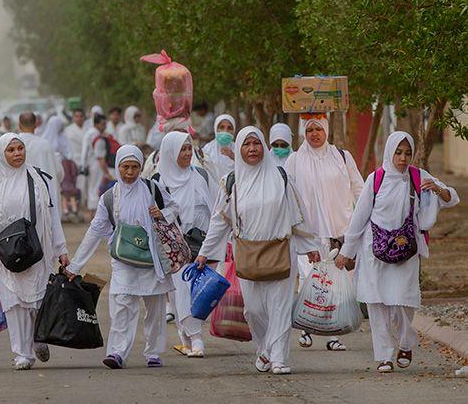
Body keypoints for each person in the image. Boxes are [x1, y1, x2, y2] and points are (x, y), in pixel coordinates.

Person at [196, 127, 320, 375]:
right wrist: (204, 252)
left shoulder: (281, 177)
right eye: (247, 144)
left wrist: (310, 247)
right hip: (248, 253)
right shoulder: (231, 182)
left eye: (256, 143)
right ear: (239, 149)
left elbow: (298, 217)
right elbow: (220, 222)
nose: (252, 149)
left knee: (279, 307)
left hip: (281, 250)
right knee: (253, 309)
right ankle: (264, 348)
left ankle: (278, 358)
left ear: (264, 146)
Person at [335, 131, 459, 373]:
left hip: (406, 251)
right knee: (377, 303)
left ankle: (405, 342)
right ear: (389, 152)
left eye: (408, 153)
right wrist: (346, 251)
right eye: (398, 152)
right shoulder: (376, 179)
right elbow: (359, 218)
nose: (403, 158)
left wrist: (437, 190)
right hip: (375, 251)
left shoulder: (418, 176)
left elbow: (452, 198)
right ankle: (384, 356)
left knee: (403, 302)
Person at [67, 145, 175, 369]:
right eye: (125, 166)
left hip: (151, 258)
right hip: (123, 259)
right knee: (121, 305)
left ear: (141, 167)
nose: (130, 172)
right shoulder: (109, 197)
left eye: (135, 167)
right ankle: (117, 353)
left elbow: (174, 207)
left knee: (155, 309)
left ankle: (153, 353)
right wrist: (75, 265)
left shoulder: (153, 188)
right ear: (117, 167)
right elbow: (95, 231)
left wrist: (162, 213)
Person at [0, 134, 69, 370]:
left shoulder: (38, 179)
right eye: (11, 150)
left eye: (20, 148)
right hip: (5, 254)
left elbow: (52, 215)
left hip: (36, 250)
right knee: (13, 303)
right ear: (2, 154)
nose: (17, 154)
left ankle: (38, 338)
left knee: (36, 302)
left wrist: (61, 250)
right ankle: (22, 354)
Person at [285, 115, 363, 351]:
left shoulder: (342, 157)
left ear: (326, 130)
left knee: (335, 285)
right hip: (308, 235)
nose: (314, 134)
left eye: (319, 129)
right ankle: (308, 327)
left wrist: (363, 222)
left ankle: (333, 334)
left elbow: (359, 188)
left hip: (339, 233)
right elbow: (286, 194)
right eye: (310, 130)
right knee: (311, 282)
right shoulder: (295, 160)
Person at [154, 132, 213, 357]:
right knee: (181, 291)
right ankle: (195, 338)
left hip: (201, 245)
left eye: (189, 149)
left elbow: (214, 209)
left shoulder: (200, 176)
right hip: (174, 247)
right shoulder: (159, 182)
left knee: (195, 292)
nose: (188, 154)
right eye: (182, 150)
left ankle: (187, 337)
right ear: (170, 153)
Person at [84, 114, 113, 216]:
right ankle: (95, 212)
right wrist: (106, 172)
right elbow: (100, 157)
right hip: (97, 164)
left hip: (92, 163)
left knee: (92, 187)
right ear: (96, 124)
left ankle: (93, 211)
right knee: (97, 188)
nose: (104, 126)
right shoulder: (98, 137)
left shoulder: (91, 133)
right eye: (102, 124)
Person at [201, 113, 237, 183]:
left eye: (229, 128)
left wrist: (233, 156)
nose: (225, 131)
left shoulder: (238, 149)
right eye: (222, 127)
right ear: (216, 129)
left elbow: (245, 168)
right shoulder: (208, 149)